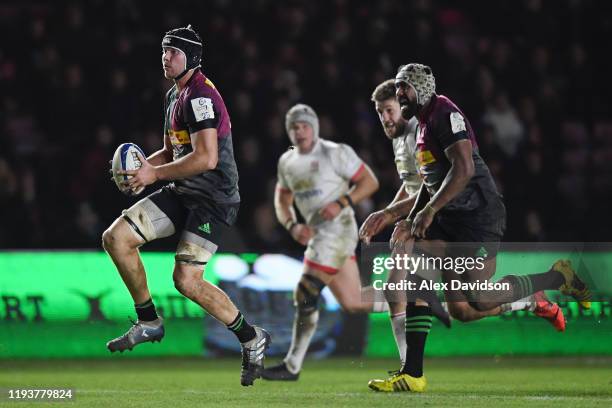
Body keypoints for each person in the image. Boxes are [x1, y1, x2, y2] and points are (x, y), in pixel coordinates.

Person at [365, 64, 591, 393]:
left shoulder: (445, 112)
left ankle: (557, 278)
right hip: (453, 218)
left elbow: (465, 168)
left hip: (478, 218)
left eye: (405, 89)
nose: (400, 95)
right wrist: (412, 219)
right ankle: (412, 373)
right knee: (460, 308)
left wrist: (426, 213)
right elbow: (430, 183)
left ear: (422, 88)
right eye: (398, 90)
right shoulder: (424, 127)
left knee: (477, 299)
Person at [102, 25, 270, 387]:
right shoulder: (173, 96)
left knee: (186, 280)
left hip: (213, 200)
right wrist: (144, 169)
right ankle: (148, 320)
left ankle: (252, 338)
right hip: (182, 191)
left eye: (173, 52)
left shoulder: (199, 98)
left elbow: (207, 158)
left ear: (191, 57)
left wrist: (155, 174)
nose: (165, 57)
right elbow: (172, 151)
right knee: (116, 238)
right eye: (163, 50)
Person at [261, 103, 384, 381]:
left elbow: (370, 182)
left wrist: (342, 202)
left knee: (306, 290)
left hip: (339, 229)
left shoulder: (335, 152)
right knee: (354, 302)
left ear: (314, 128)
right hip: (318, 236)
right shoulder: (288, 161)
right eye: (294, 126)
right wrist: (292, 225)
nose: (299, 131)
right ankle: (414, 301)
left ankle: (292, 366)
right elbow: (282, 199)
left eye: (304, 125)